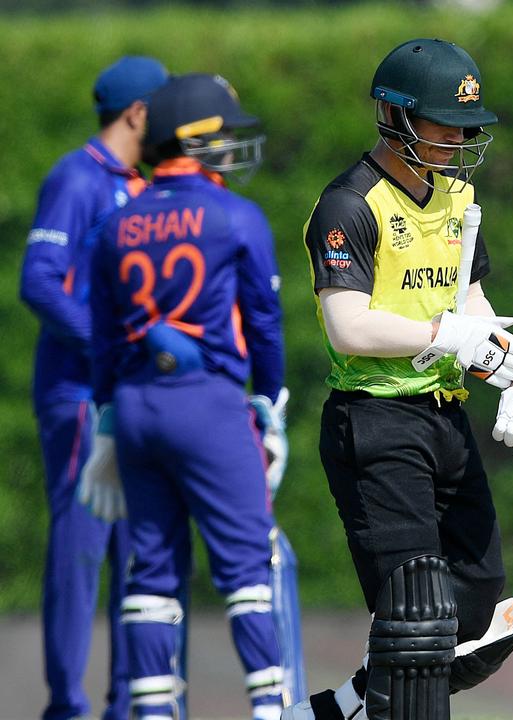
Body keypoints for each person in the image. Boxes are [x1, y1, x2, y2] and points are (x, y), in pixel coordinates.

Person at [287, 38, 513, 720]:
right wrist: (445, 337)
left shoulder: (458, 193)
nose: (459, 138)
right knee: (418, 611)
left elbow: (471, 301)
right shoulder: (348, 203)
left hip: (444, 416)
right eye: (442, 123)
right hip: (374, 417)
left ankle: (338, 707)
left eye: (466, 125)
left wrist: (510, 359)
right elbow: (348, 326)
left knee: (476, 597)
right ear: (393, 115)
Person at [80, 72, 292, 720]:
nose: (231, 146)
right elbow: (263, 323)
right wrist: (272, 405)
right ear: (193, 139)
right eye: (221, 134)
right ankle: (270, 708)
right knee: (247, 569)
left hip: (138, 407)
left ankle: (150, 711)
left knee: (151, 575)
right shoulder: (235, 214)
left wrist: (108, 422)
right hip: (209, 407)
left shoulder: (116, 224)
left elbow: (104, 340)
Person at [19, 55, 168, 720]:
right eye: (161, 109)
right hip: (78, 396)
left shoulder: (139, 184)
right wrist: (111, 342)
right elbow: (39, 280)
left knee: (136, 554)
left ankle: (125, 707)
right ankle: (67, 708)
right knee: (81, 554)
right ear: (138, 112)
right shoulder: (77, 176)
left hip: (126, 399)